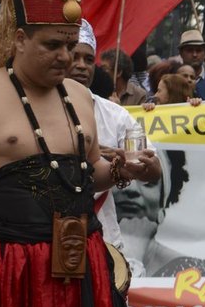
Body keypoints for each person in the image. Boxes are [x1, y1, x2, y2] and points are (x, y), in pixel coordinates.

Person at [0, 0, 145, 307]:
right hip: (7, 276)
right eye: (51, 45)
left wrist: (119, 170)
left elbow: (85, 171)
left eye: (70, 46)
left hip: (82, 263)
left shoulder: (80, 98)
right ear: (18, 40)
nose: (64, 56)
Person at [68, 19, 162, 249]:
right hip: (41, 235)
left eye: (89, 59)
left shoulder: (115, 115)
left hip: (102, 236)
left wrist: (133, 166)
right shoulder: (33, 108)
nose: (82, 66)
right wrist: (92, 157)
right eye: (75, 56)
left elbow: (153, 168)